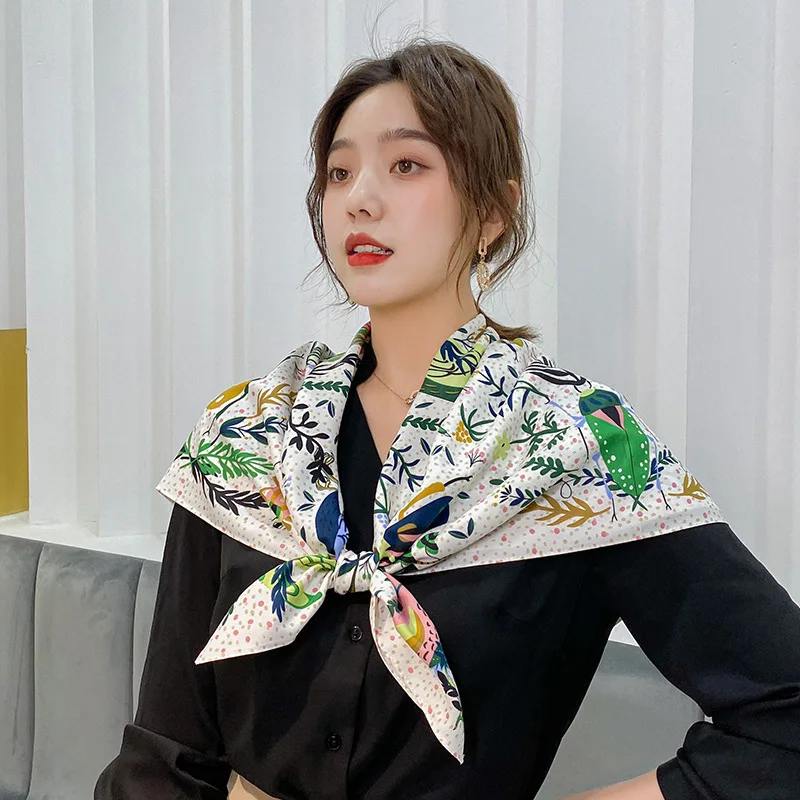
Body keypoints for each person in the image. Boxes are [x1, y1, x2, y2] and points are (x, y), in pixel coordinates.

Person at [95, 38, 800, 800]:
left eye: (407, 165)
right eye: (339, 172)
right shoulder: (247, 437)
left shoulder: (573, 448)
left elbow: (782, 717)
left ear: (492, 213)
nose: (360, 198)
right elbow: (165, 755)